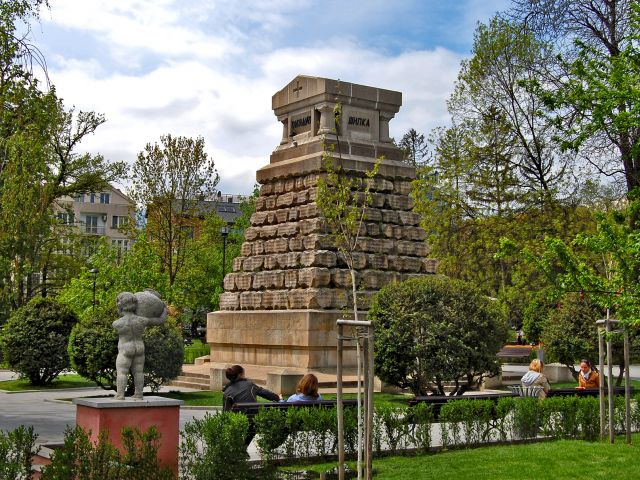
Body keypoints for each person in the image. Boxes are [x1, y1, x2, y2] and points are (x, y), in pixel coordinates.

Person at [112, 290, 167, 400]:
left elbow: (120, 317)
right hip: (139, 347)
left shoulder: (117, 323)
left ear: (121, 305)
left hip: (125, 348)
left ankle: (120, 395)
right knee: (138, 372)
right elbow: (161, 320)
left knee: (122, 371)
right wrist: (164, 309)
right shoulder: (142, 320)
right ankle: (138, 394)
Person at [222, 365, 281, 446]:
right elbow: (264, 393)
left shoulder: (227, 392)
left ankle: (240, 449)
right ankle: (244, 447)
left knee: (247, 421)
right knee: (252, 422)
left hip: (238, 421)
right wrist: (278, 398)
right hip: (253, 420)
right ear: (240, 374)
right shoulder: (249, 385)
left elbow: (225, 412)